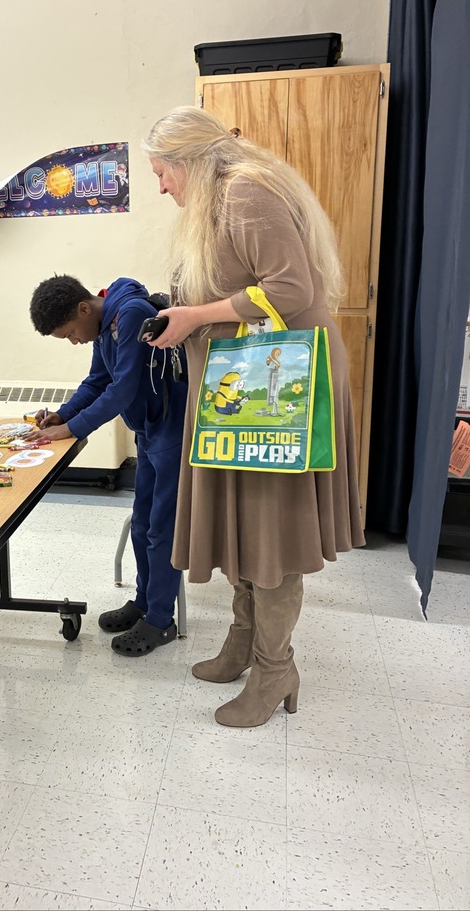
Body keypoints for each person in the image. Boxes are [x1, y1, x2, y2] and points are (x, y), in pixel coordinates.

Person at [142, 106, 365, 726]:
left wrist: (196, 317)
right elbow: (237, 284)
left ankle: (276, 669)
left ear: (189, 161)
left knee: (270, 531)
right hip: (241, 384)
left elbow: (293, 290)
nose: (160, 187)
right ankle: (243, 644)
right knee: (244, 520)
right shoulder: (224, 197)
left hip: (278, 387)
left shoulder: (243, 192)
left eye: (162, 172)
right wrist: (180, 311)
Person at [27, 274, 188, 656]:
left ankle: (161, 620)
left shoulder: (129, 314)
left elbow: (124, 388)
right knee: (142, 523)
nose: (74, 340)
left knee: (162, 529)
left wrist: (73, 428)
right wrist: (63, 414)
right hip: (148, 431)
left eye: (70, 333)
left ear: (84, 308)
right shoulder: (104, 326)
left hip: (170, 430)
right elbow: (98, 380)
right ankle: (144, 600)